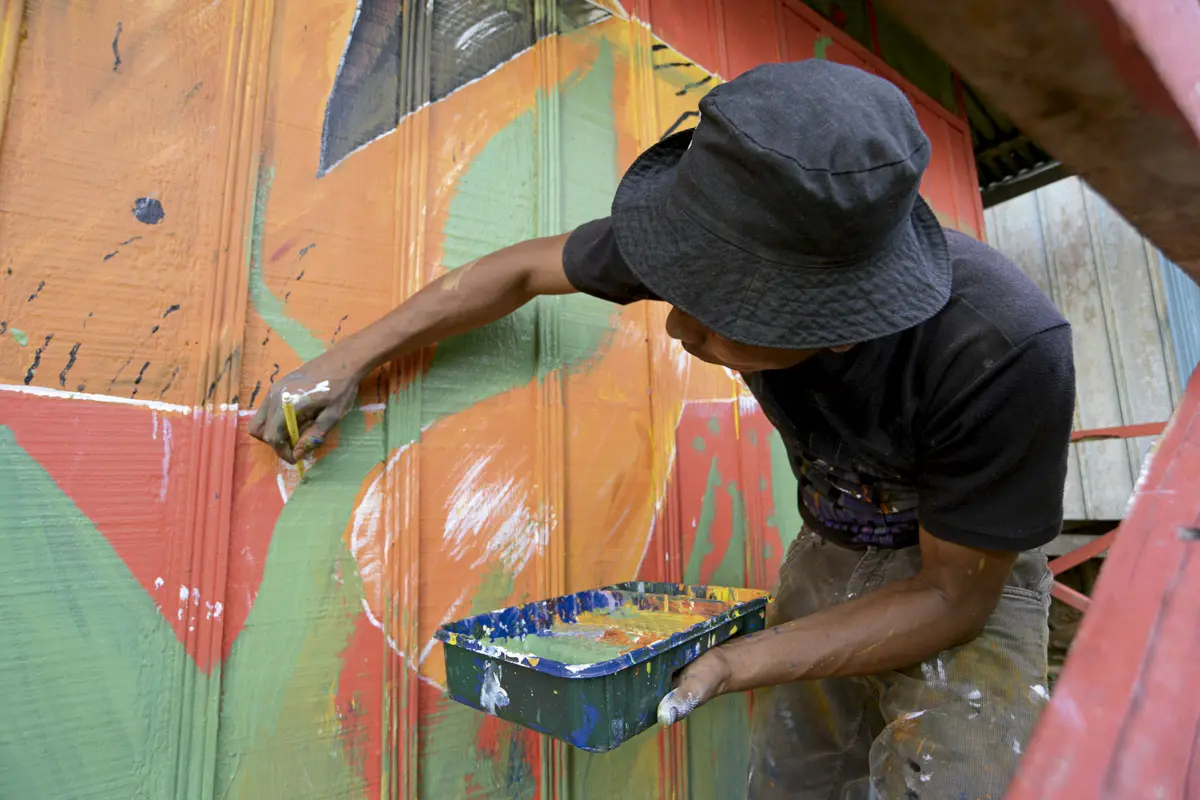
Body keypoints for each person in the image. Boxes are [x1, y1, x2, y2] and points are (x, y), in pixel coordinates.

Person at [250, 60, 1074, 799]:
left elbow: (950, 597)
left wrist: (733, 663)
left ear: (837, 325)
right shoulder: (731, 235)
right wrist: (352, 357)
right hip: (829, 540)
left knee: (960, 777)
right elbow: (519, 272)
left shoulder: (1003, 352)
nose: (678, 326)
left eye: (716, 316)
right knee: (799, 778)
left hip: (967, 570)